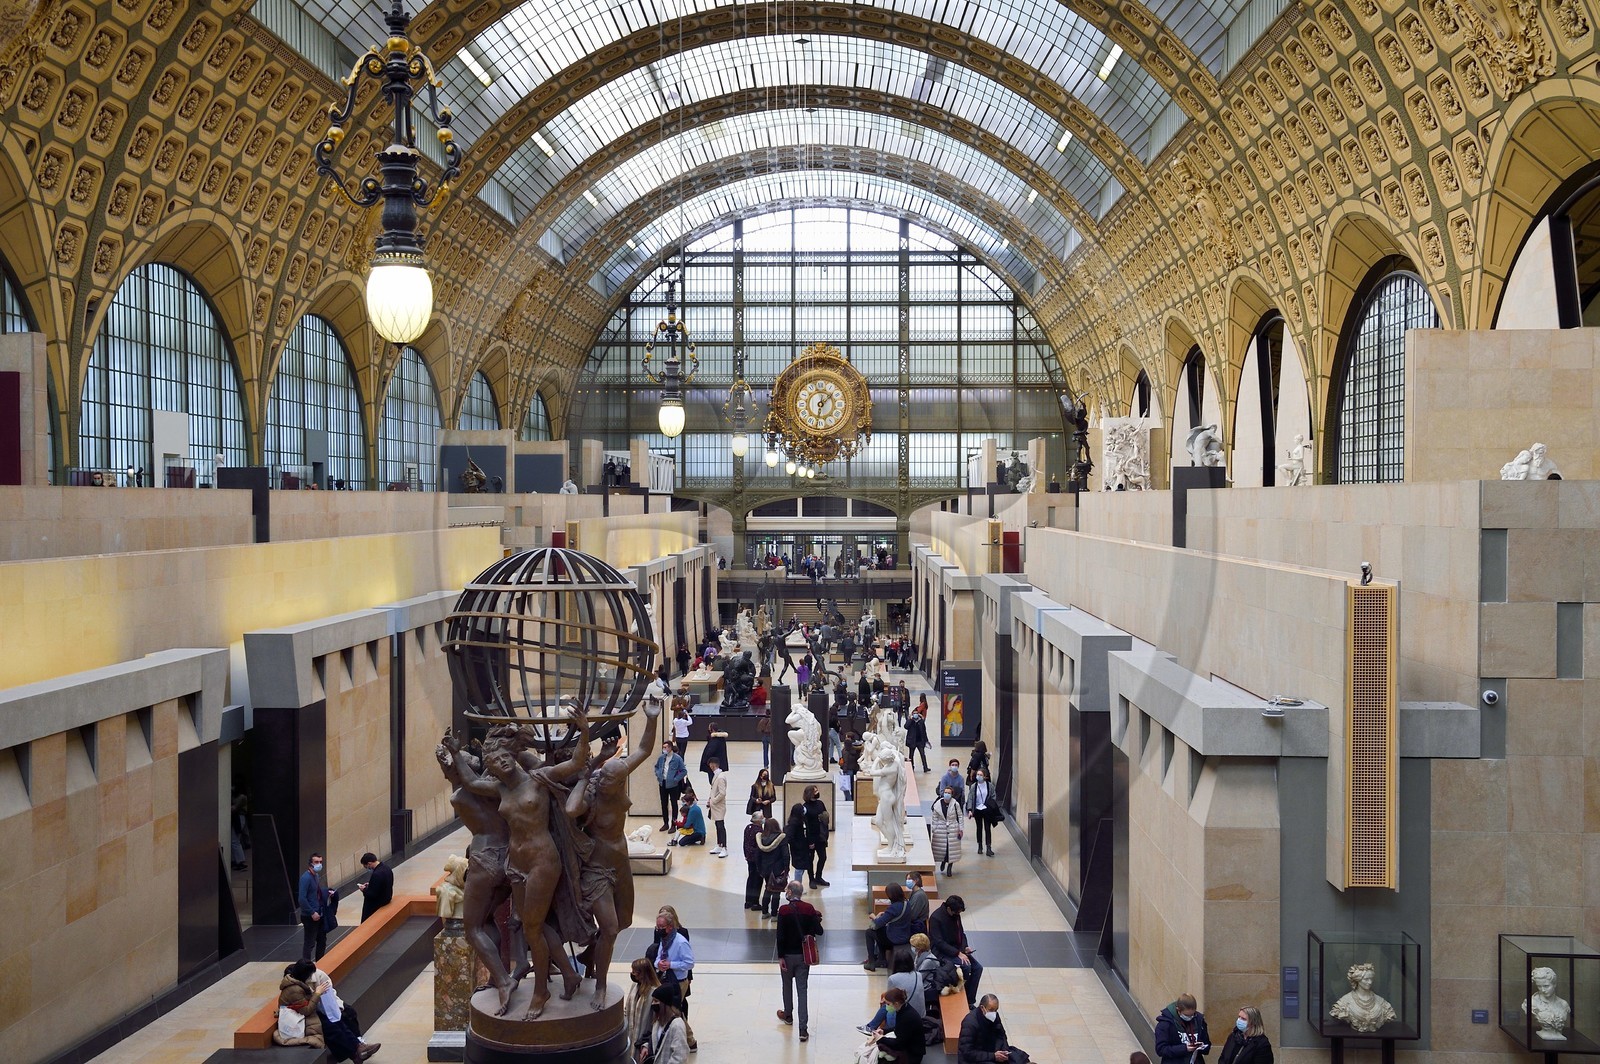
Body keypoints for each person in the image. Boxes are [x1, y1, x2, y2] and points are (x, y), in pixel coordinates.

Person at [774, 879, 824, 1042]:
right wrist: (816, 919)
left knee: (786, 986)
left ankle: (788, 1015)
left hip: (787, 956)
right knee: (802, 991)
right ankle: (803, 1030)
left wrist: (780, 956)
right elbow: (819, 931)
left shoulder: (783, 910)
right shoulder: (809, 909)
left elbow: (780, 936)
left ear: (790, 892)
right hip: (803, 957)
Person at [928, 895, 983, 1008]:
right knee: (966, 966)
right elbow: (939, 942)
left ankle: (969, 999)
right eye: (957, 912)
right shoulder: (936, 918)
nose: (958, 915)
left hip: (957, 950)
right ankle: (962, 998)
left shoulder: (955, 915)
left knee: (978, 968)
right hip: (942, 952)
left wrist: (964, 947)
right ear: (949, 909)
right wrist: (958, 953)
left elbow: (961, 933)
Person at [958, 994, 1030, 1064]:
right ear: (982, 1008)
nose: (994, 1013)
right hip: (975, 1058)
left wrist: (1004, 1051)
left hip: (992, 1050)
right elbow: (967, 1052)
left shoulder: (995, 1016)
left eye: (996, 1010)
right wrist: (993, 1056)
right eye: (991, 1010)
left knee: (1020, 1058)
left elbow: (1001, 1035)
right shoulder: (969, 1023)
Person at [868, 985, 927, 1063]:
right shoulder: (904, 1009)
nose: (886, 1006)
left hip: (911, 1055)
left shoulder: (906, 1017)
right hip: (910, 1048)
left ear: (896, 1003)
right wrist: (884, 1031)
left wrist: (880, 1038)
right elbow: (899, 1028)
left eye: (888, 1004)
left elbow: (899, 1044)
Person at [1154, 994, 1212, 1064]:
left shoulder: (1199, 1020)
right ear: (1178, 1010)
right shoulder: (1165, 1024)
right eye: (1187, 1015)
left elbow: (1207, 1045)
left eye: (1192, 1015)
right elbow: (1161, 1049)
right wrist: (1184, 1048)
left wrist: (1202, 1046)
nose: (1190, 1017)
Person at [640, 984, 690, 1064]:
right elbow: (656, 1041)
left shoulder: (677, 1025)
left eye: (656, 1001)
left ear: (664, 1003)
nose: (653, 1004)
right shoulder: (657, 1021)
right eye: (653, 1001)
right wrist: (646, 1047)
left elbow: (680, 1056)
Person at [298, 852, 332, 962]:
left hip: (319, 913)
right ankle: (306, 964)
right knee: (309, 942)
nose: (319, 864)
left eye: (321, 862)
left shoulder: (316, 876)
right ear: (310, 864)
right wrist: (312, 912)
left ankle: (320, 963)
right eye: (316, 862)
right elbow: (302, 898)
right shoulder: (305, 878)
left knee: (322, 940)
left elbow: (315, 893)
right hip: (310, 915)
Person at [624, 957, 661, 1055]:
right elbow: (627, 1008)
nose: (632, 974)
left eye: (635, 971)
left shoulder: (654, 992)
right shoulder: (634, 986)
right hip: (630, 1034)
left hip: (644, 1036)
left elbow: (656, 1020)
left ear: (643, 973)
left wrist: (647, 1042)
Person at [757, 816, 791, 918]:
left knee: (768, 888)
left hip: (765, 869)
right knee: (776, 891)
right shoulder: (781, 838)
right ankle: (774, 914)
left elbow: (757, 856)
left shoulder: (760, 838)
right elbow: (786, 855)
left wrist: (760, 869)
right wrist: (786, 868)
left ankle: (764, 912)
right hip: (778, 869)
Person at [931, 782, 964, 877]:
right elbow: (934, 817)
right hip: (941, 829)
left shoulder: (955, 804)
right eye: (945, 792)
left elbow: (960, 816)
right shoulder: (938, 804)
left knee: (951, 849)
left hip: (953, 829)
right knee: (942, 849)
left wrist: (960, 829)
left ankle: (950, 866)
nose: (947, 794)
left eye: (949, 793)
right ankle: (943, 862)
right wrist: (934, 828)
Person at [802, 784, 831, 888]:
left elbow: (825, 816)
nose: (817, 792)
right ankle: (811, 879)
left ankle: (818, 876)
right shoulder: (805, 807)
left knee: (823, 857)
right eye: (815, 791)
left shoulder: (820, 803)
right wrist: (809, 841)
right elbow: (805, 825)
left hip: (821, 835)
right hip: (811, 837)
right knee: (810, 859)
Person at [654, 741, 688, 832]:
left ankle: (674, 824)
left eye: (665, 747)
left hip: (673, 785)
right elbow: (656, 767)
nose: (664, 749)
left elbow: (684, 771)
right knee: (664, 804)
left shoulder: (677, 759)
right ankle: (665, 823)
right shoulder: (661, 758)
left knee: (674, 804)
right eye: (663, 747)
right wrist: (658, 775)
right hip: (663, 783)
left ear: (670, 748)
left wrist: (676, 779)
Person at [967, 768, 997, 857]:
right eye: (978, 775)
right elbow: (970, 798)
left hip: (987, 809)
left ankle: (988, 847)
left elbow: (993, 797)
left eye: (980, 775)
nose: (978, 777)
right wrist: (970, 810)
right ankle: (980, 846)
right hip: (977, 810)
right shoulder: (974, 786)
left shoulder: (990, 786)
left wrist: (991, 807)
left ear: (985, 776)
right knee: (979, 827)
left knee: (988, 828)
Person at [356, 852, 393, 922]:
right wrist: (371, 884)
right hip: (387, 897)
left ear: (369, 863)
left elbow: (372, 894)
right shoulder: (386, 868)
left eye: (366, 866)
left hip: (378, 903)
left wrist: (364, 890)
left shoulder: (376, 874)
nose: (367, 868)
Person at [742, 811, 768, 910]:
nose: (763, 819)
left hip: (749, 857)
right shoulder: (759, 831)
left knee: (751, 878)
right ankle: (755, 903)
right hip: (757, 858)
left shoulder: (748, 828)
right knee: (757, 880)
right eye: (762, 817)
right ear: (758, 820)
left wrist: (746, 854)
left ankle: (748, 901)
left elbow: (745, 843)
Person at [705, 758, 729, 856]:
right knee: (717, 825)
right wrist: (709, 800)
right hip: (715, 805)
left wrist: (713, 800)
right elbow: (713, 790)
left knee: (720, 825)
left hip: (719, 806)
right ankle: (719, 844)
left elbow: (722, 793)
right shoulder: (717, 775)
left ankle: (724, 847)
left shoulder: (720, 777)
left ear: (713, 764)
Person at [785, 799, 811, 882]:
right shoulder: (794, 823)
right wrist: (797, 845)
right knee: (799, 868)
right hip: (798, 849)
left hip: (804, 847)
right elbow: (789, 837)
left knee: (802, 867)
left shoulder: (802, 820)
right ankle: (797, 885)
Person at [906, 696, 931, 772]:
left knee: (923, 754)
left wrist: (926, 740)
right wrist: (910, 719)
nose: (916, 715)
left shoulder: (921, 722)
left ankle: (925, 767)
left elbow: (924, 731)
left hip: (920, 741)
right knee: (911, 755)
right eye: (914, 714)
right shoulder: (910, 722)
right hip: (912, 741)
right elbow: (906, 726)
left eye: (917, 713)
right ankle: (911, 767)